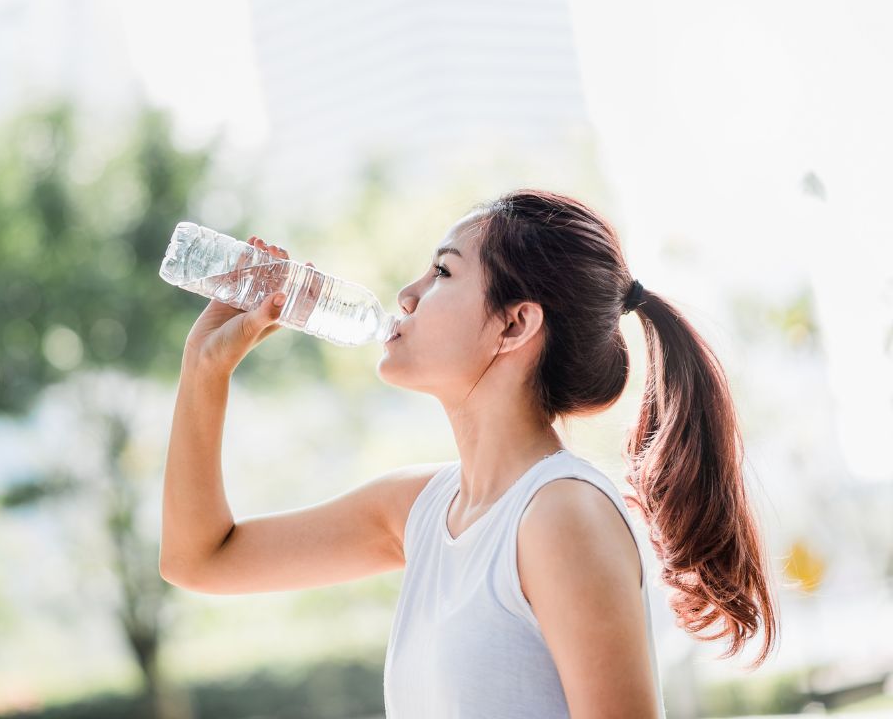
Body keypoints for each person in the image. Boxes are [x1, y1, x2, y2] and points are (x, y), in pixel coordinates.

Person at [160, 187, 780, 718]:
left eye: (443, 273)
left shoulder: (561, 516)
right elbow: (200, 560)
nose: (406, 293)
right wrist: (204, 369)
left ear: (515, 325)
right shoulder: (419, 510)